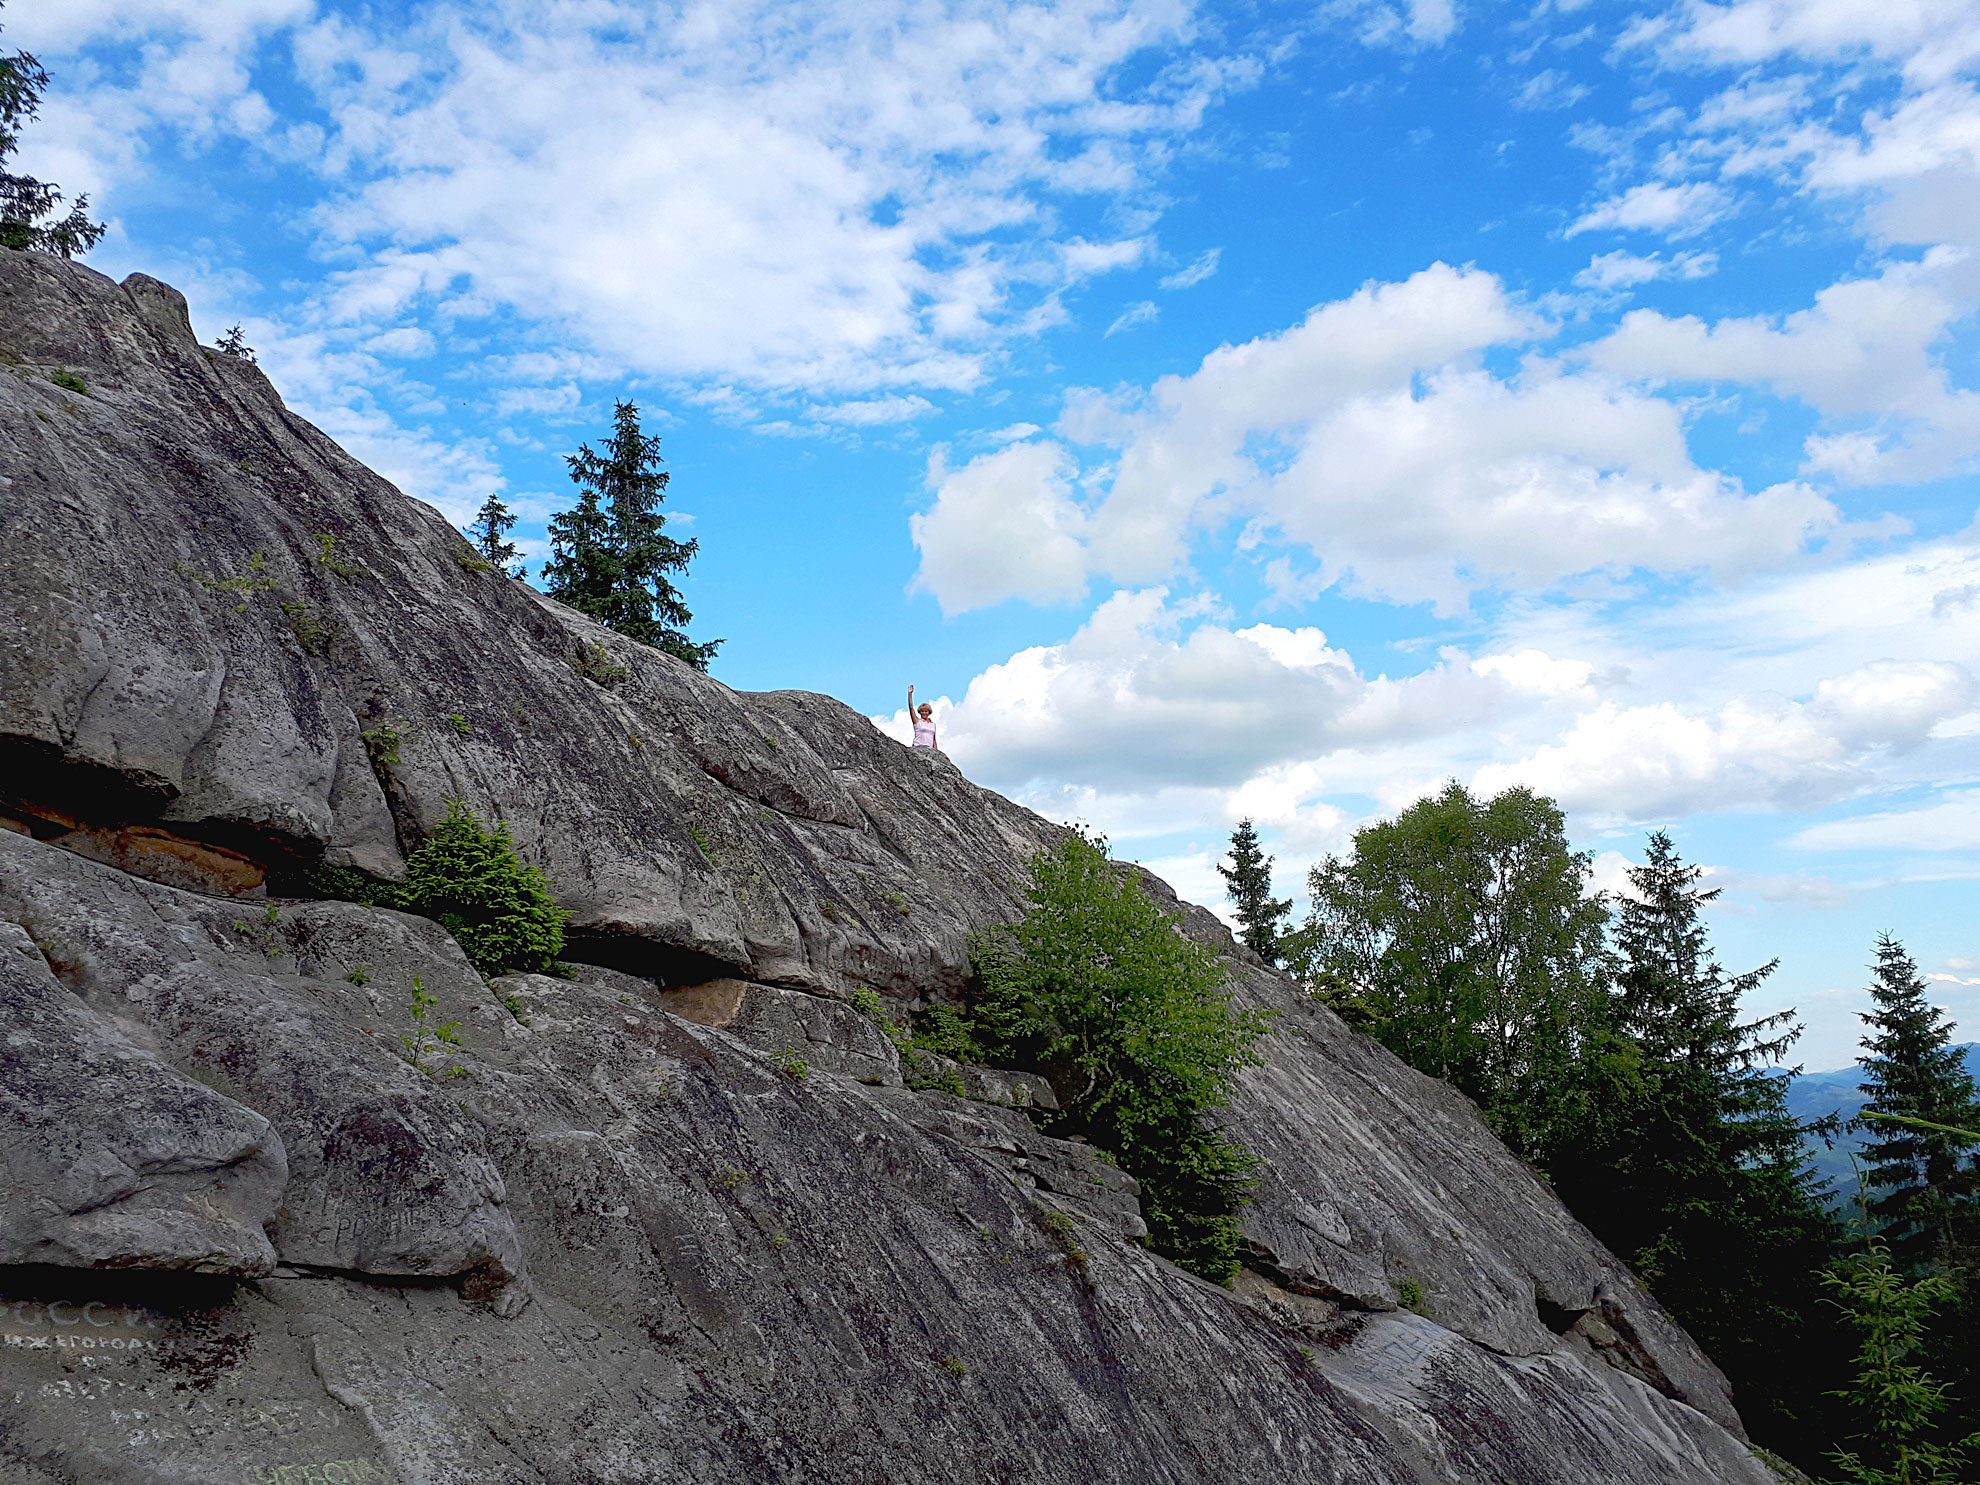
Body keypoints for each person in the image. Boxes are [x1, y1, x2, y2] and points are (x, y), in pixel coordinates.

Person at [907, 685, 938, 751]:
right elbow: (911, 708)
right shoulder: (917, 721)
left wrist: (936, 752)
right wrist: (910, 694)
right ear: (920, 712)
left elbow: (934, 740)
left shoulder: (933, 724)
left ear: (929, 712)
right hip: (918, 748)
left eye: (926, 711)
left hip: (929, 750)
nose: (924, 713)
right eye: (922, 711)